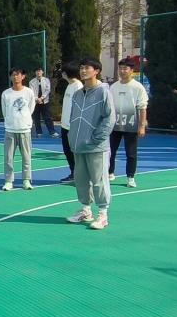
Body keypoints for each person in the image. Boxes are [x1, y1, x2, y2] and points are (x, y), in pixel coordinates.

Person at [66, 58, 116, 230]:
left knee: (99, 181)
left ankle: (103, 214)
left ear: (97, 71)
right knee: (81, 180)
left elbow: (110, 118)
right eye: (81, 68)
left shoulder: (103, 92)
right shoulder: (77, 94)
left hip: (96, 146)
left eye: (87, 68)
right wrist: (73, 138)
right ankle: (86, 211)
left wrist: (96, 139)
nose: (83, 71)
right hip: (78, 145)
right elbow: (73, 118)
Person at [108, 59, 148, 188]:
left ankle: (130, 177)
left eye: (125, 68)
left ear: (131, 70)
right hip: (114, 125)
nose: (122, 71)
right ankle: (110, 172)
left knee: (131, 153)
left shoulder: (138, 87)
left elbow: (142, 108)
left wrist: (141, 126)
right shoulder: (113, 87)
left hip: (131, 125)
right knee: (110, 151)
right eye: (120, 68)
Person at [1, 68, 36, 191]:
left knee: (26, 157)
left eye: (18, 75)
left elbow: (31, 108)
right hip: (10, 129)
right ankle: (8, 181)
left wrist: (24, 120)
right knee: (8, 157)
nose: (15, 77)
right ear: (10, 77)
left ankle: (26, 180)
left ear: (23, 76)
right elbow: (4, 111)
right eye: (13, 75)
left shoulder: (29, 92)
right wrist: (10, 121)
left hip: (24, 129)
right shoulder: (6, 94)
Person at [58, 62, 82, 184]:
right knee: (67, 151)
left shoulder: (78, 86)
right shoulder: (70, 85)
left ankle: (80, 175)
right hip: (65, 125)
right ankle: (74, 173)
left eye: (63, 71)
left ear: (67, 73)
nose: (61, 73)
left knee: (74, 152)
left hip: (73, 126)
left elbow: (79, 107)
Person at [29, 68, 59, 138]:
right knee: (36, 118)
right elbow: (31, 92)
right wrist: (37, 99)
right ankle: (39, 133)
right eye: (37, 71)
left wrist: (42, 98)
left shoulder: (46, 80)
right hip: (35, 102)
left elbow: (47, 90)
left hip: (45, 102)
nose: (38, 72)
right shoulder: (31, 82)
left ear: (42, 72)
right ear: (35, 72)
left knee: (48, 117)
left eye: (39, 71)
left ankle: (52, 132)